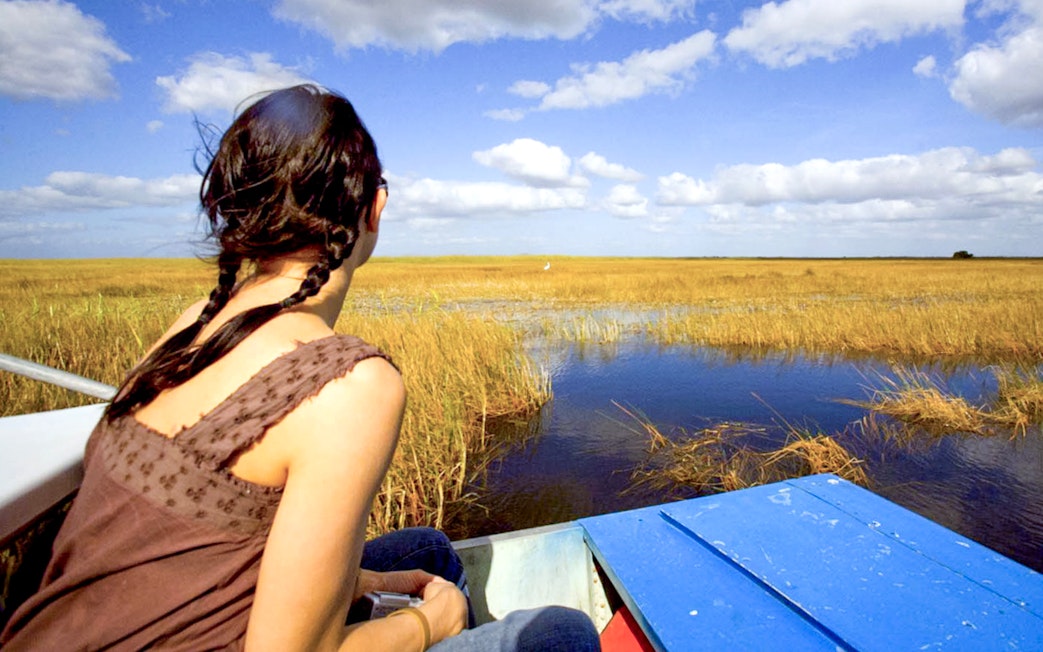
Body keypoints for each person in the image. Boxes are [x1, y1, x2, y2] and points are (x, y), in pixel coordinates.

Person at [0, 85, 599, 651]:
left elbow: (204, 546)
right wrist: (429, 622)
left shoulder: (191, 325)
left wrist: (371, 588)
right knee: (561, 635)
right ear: (375, 209)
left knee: (429, 551)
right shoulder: (349, 385)